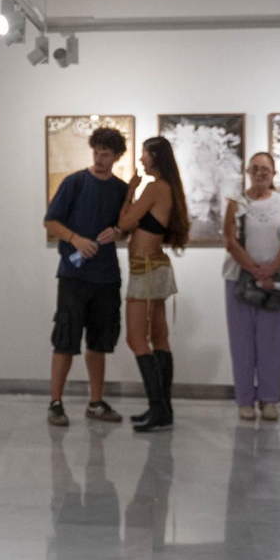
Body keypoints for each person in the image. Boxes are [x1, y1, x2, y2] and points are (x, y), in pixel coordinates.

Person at [43, 126, 131, 427]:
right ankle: (55, 402)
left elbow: (128, 225)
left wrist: (120, 231)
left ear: (117, 156)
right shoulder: (75, 183)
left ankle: (95, 401)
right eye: (96, 152)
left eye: (106, 154)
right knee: (65, 340)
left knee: (99, 342)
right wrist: (75, 239)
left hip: (106, 277)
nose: (99, 159)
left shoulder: (121, 190)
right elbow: (50, 221)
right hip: (73, 275)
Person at [119, 136, 193, 432]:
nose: (141, 160)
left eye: (144, 155)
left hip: (146, 270)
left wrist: (129, 192)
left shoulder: (154, 188)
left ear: (155, 156)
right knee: (158, 338)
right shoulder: (167, 188)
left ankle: (158, 407)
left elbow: (125, 223)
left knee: (136, 338)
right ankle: (163, 409)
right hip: (155, 267)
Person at [222, 152, 280, 421]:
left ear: (274, 173)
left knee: (271, 342)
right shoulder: (237, 203)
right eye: (255, 168)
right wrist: (254, 270)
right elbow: (230, 241)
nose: (260, 173)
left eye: (265, 169)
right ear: (247, 172)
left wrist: (272, 268)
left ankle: (268, 400)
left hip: (273, 281)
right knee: (241, 342)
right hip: (239, 279)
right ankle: (244, 400)